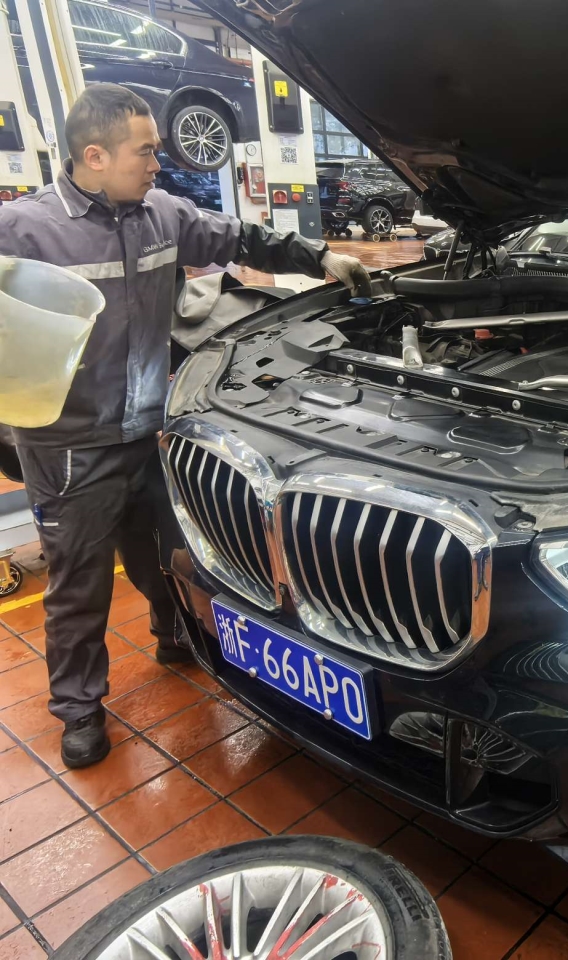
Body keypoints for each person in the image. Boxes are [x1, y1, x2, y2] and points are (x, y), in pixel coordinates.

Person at [0, 84, 370, 769]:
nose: (157, 164)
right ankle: (79, 711)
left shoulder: (163, 215)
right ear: (94, 156)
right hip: (68, 445)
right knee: (79, 586)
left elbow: (243, 237)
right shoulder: (23, 229)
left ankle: (174, 637)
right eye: (144, 152)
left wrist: (321, 257)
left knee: (168, 554)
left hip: (150, 430)